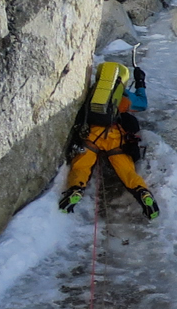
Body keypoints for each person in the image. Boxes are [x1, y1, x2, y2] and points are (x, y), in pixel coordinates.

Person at [59, 60, 158, 219]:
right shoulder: (125, 96)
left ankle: (76, 189)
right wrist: (140, 82)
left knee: (81, 166)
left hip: (92, 134)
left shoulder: (94, 92)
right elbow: (142, 104)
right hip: (116, 137)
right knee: (127, 171)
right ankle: (142, 192)